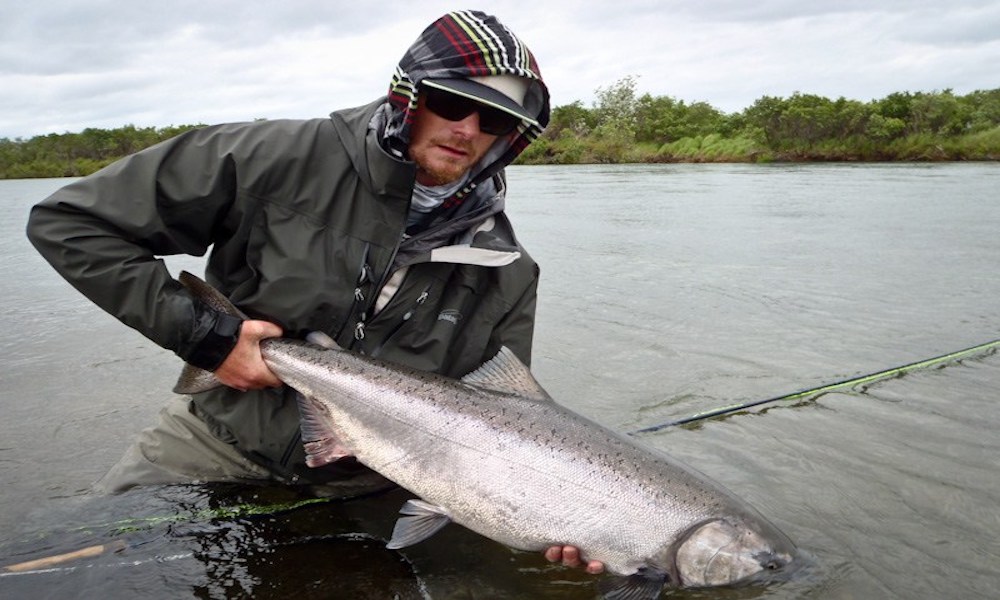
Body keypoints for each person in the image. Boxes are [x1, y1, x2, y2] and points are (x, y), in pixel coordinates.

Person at [26, 10, 602, 575]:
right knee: (81, 570)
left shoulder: (508, 269)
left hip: (379, 480)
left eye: (495, 120)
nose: (468, 130)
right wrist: (208, 338)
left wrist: (567, 516)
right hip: (216, 436)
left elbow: (507, 421)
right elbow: (71, 224)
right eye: (452, 104)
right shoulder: (268, 159)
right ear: (410, 96)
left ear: (513, 137)